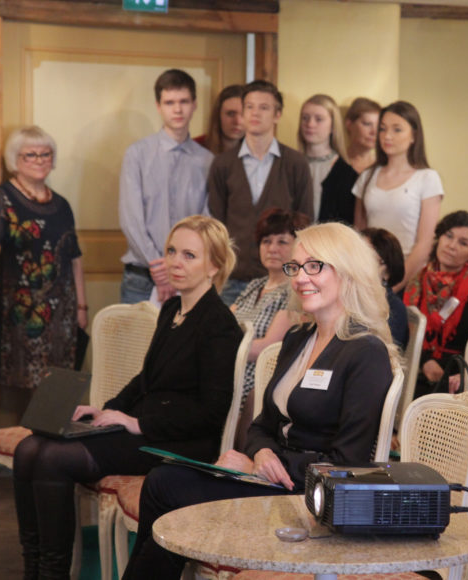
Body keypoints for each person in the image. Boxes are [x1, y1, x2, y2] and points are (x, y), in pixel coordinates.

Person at [121, 222, 398, 579]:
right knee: (163, 484)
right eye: (296, 267)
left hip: (307, 497)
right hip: (270, 480)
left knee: (166, 486)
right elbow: (261, 426)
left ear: (347, 271)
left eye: (315, 266)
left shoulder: (365, 352)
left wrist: (262, 464)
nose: (300, 278)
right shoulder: (299, 338)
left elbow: (349, 462)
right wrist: (261, 452)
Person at [10, 215, 242, 578]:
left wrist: (136, 422)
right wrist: (105, 410)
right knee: (28, 449)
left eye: (189, 255)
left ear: (214, 266)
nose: (175, 262)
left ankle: (53, 573)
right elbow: (144, 380)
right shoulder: (172, 309)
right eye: (171, 251)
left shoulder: (219, 324)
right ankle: (33, 569)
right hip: (143, 430)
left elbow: (211, 413)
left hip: (177, 443)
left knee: (53, 457)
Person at [0, 126, 87, 418]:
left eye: (46, 154)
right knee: (31, 384)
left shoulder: (62, 205)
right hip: (25, 308)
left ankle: (53, 439)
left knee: (60, 385)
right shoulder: (2, 197)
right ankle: (34, 441)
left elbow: (74, 258)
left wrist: (82, 307)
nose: (39, 160)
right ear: (15, 160)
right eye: (30, 154)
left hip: (63, 311)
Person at [208, 79, 313, 305]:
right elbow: (216, 223)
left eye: (264, 107)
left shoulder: (296, 163)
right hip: (233, 277)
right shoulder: (223, 164)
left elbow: (305, 223)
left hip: (283, 278)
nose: (255, 113)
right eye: (249, 107)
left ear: (277, 114)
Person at [119, 69, 214, 304]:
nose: (177, 109)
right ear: (158, 106)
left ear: (194, 105)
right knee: (134, 332)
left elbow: (206, 221)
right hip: (142, 276)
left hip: (190, 277)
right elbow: (131, 219)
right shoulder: (137, 154)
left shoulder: (208, 161)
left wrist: (179, 265)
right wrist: (160, 267)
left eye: (184, 101)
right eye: (170, 102)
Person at [230, 207, 311, 432]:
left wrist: (219, 344)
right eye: (266, 241)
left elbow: (267, 348)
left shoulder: (295, 291)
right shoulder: (254, 285)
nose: (272, 248)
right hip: (230, 369)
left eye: (282, 242)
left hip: (259, 380)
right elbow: (222, 324)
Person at [405, 211, 468, 397]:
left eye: (463, 243)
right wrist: (424, 361)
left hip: (454, 378)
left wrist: (450, 371)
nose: (451, 245)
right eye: (448, 236)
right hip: (413, 365)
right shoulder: (418, 280)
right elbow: (404, 331)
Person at [353, 101, 443, 292]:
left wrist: (393, 287)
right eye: (383, 129)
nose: (387, 136)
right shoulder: (367, 176)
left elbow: (425, 243)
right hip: (370, 275)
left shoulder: (427, 178)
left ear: (414, 135)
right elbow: (359, 233)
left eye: (397, 129)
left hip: (409, 278)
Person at [297, 94, 358, 224]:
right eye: (305, 118)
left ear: (333, 125)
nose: (310, 124)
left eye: (319, 119)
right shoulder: (289, 165)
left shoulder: (347, 174)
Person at [364, 227, 409, 349]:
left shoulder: (394, 308)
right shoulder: (344, 296)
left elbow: (382, 353)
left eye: (369, 259)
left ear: (387, 272)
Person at [194, 84, 244, 154]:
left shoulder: (256, 152)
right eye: (231, 114)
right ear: (218, 115)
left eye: (244, 114)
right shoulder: (195, 147)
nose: (238, 121)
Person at [344, 97, 381, 174]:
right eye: (367, 124)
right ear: (349, 124)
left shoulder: (384, 167)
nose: (374, 132)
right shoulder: (333, 163)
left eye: (379, 126)